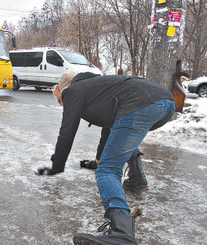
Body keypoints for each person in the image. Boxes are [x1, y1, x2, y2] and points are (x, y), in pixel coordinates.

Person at [36, 72, 175, 245]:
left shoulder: (73, 91)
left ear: (64, 87)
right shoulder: (100, 86)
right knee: (126, 132)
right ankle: (136, 177)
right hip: (166, 103)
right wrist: (97, 160)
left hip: (141, 104)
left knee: (108, 170)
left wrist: (57, 166)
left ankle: (122, 233)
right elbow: (110, 128)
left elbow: (67, 132)